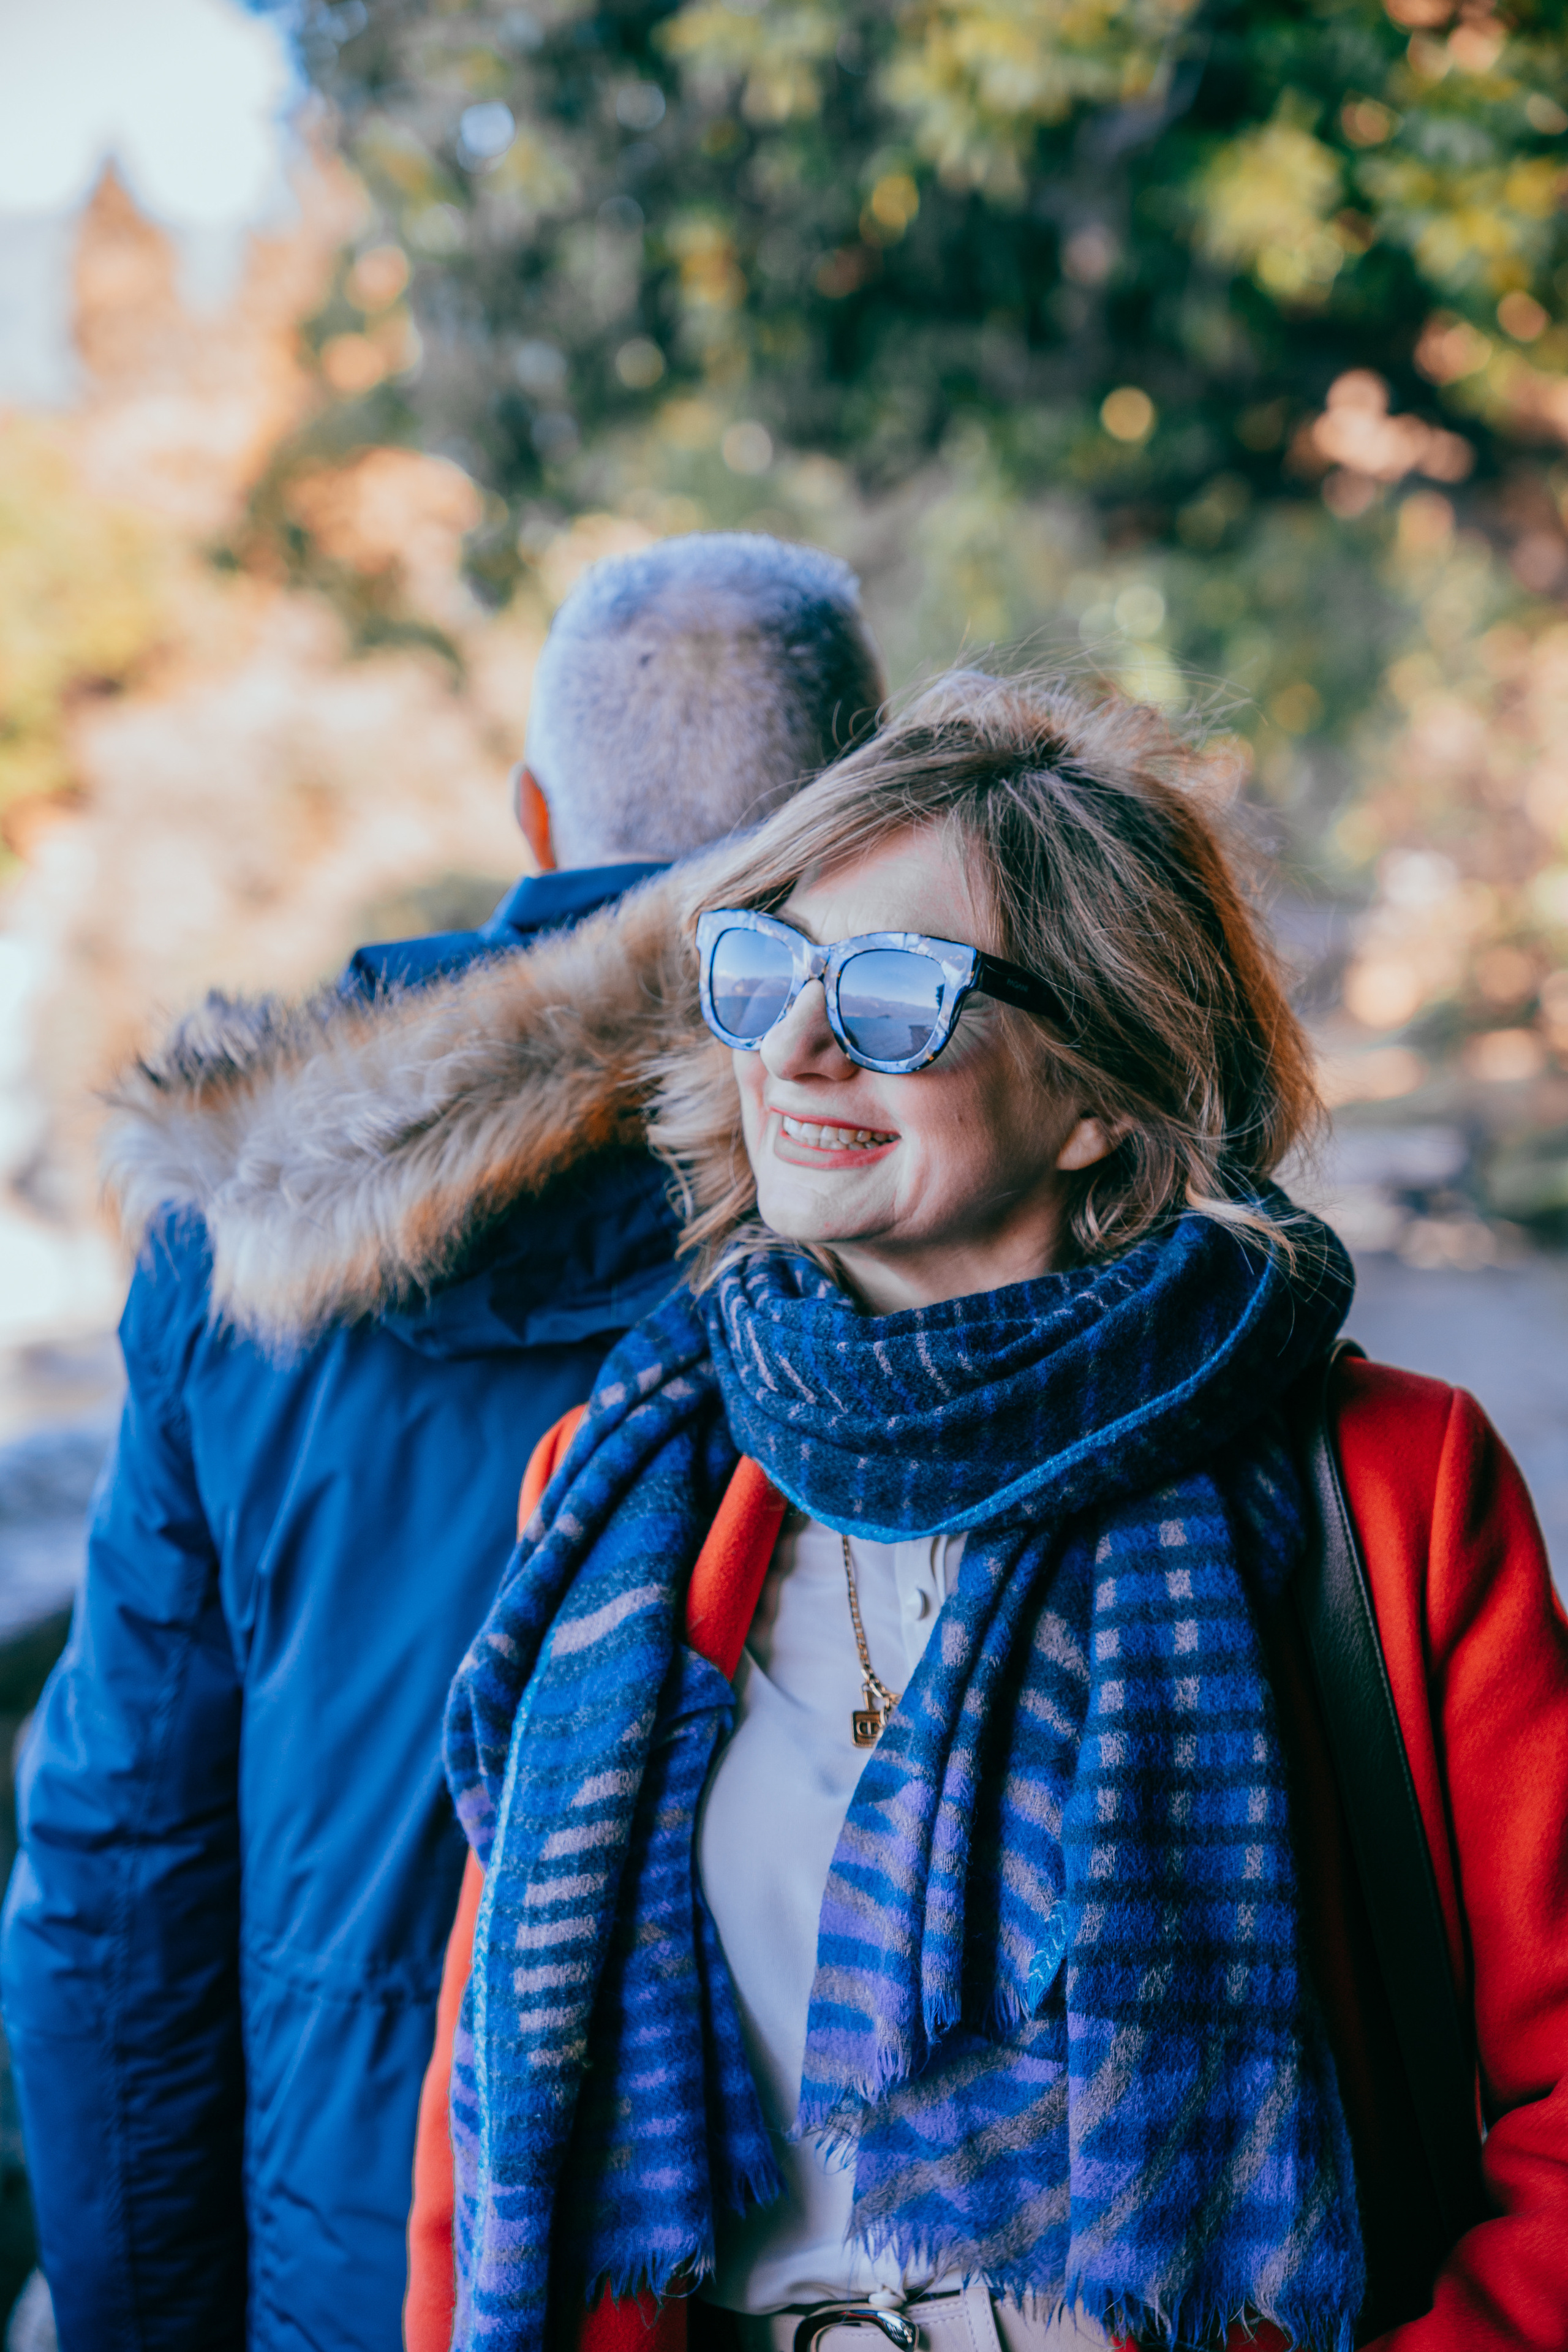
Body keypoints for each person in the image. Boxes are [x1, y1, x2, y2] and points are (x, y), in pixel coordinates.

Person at [407, 671, 1568, 2350]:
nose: (798, 1045)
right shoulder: (626, 1490)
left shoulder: (1390, 1493)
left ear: (1103, 1086)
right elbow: (488, 2093)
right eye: (772, 971)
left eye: (894, 993)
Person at [0, 533, 886, 2352]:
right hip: (847, 2278)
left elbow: (115, 1879)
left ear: (535, 815)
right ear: (883, 814)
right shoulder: (966, 1183)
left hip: (356, 2284)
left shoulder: (250, 1240)